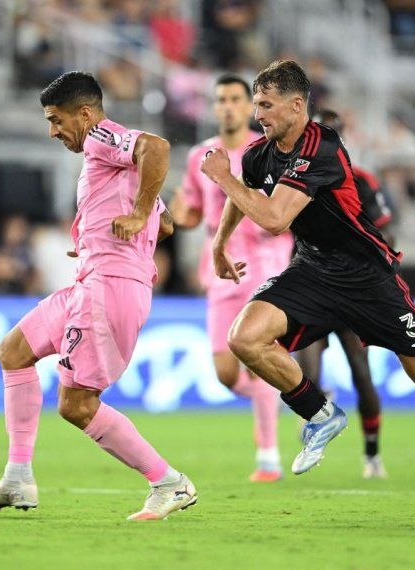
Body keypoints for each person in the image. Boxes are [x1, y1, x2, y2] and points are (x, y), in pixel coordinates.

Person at [201, 60, 415, 518]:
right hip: (313, 271)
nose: (258, 113)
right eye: (257, 103)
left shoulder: (321, 146)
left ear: (297, 105)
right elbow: (245, 192)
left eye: (266, 104)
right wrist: (221, 245)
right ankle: (321, 413)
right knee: (244, 336)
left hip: (367, 278)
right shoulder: (259, 154)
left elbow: (273, 218)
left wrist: (220, 176)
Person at [0, 71, 196, 521]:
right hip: (90, 279)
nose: (52, 131)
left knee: (76, 405)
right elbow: (167, 222)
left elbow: (158, 147)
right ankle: (17, 477)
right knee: (13, 351)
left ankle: (168, 481)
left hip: (111, 288)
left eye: (56, 120)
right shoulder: (113, 159)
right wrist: (123, 222)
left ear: (85, 113)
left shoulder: (99, 135)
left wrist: (134, 216)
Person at [172, 74, 293, 482]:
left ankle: (269, 457)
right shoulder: (200, 156)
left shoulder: (268, 153)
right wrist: (169, 212)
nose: (227, 106)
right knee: (226, 372)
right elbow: (189, 212)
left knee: (257, 359)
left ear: (249, 107)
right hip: (218, 271)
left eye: (235, 99)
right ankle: (292, 395)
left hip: (262, 266)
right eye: (220, 99)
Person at [294, 109, 395, 480]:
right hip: (311, 288)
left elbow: (388, 234)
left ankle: (372, 455)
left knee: (362, 375)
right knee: (307, 376)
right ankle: (321, 414)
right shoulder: (295, 180)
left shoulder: (362, 182)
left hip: (352, 289)